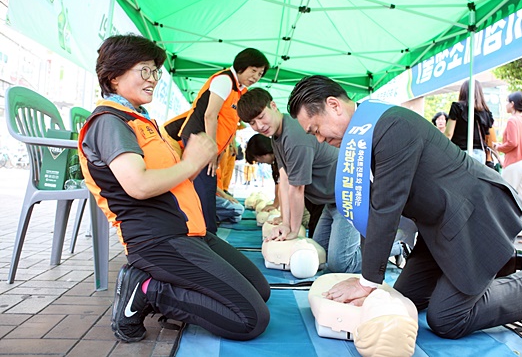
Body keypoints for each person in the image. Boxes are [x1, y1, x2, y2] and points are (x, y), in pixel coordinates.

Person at [287, 75, 522, 339]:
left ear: (333, 106)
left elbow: (386, 208)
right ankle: (485, 269)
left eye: (316, 130)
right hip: (437, 228)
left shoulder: (391, 126)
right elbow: (367, 214)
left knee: (447, 318)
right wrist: (369, 280)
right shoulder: (362, 137)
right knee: (403, 298)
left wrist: (366, 282)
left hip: (474, 217)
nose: (320, 140)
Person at [79, 35, 270, 343]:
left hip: (189, 232)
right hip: (158, 240)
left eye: (155, 71)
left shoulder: (142, 120)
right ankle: (148, 291)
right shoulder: (109, 122)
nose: (153, 79)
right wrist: (191, 162)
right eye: (145, 70)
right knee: (250, 320)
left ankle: (170, 283)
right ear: (113, 76)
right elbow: (138, 185)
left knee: (260, 291)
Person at [237, 88, 362, 273]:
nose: (259, 125)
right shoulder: (276, 138)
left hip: (348, 198)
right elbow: (285, 181)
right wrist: (286, 224)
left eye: (261, 116)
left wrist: (293, 230)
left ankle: (393, 247)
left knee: (340, 264)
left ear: (273, 106)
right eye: (252, 123)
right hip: (331, 202)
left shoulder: (294, 135)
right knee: (318, 253)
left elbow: (297, 188)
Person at [163, 48, 269, 233]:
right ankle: (205, 233)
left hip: (211, 146)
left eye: (260, 74)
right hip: (199, 141)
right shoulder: (224, 80)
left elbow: (229, 122)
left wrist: (227, 146)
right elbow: (210, 115)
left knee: (207, 188)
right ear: (242, 66)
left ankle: (204, 231)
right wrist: (212, 150)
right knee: (204, 189)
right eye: (253, 70)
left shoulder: (241, 91)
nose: (256, 77)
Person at [493, 92, 522, 244]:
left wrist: (498, 147)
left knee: (504, 196)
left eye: (507, 102)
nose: (506, 105)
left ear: (512, 104)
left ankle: (499, 230)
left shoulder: (513, 120)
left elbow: (512, 143)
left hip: (514, 163)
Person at [445, 79, 494, 164]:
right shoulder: (486, 112)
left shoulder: (457, 107)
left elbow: (448, 134)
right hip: (480, 155)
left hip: (461, 154)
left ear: (463, 91)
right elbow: (487, 136)